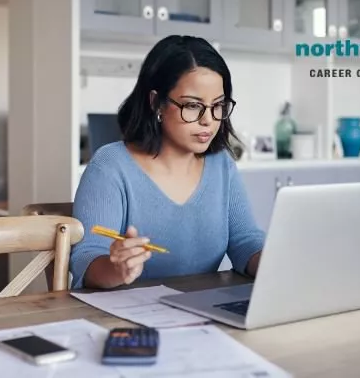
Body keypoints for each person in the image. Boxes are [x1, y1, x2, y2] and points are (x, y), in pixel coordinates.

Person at [70, 35, 265, 290]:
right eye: (193, 106)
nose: (208, 120)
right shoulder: (111, 166)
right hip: (124, 320)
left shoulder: (222, 165)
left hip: (201, 314)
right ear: (156, 103)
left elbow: (245, 241)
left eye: (218, 105)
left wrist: (276, 262)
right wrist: (116, 268)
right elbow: (86, 258)